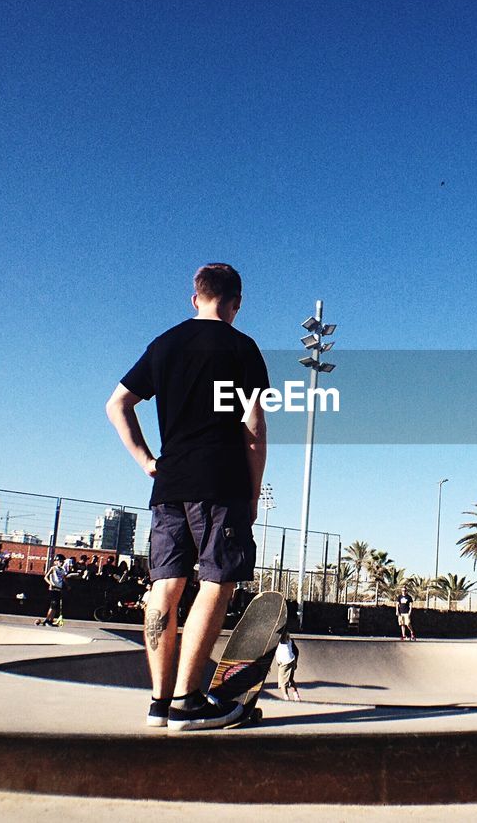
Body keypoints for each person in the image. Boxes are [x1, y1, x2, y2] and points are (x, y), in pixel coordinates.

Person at [106, 263, 269, 731]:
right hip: (220, 483)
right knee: (218, 581)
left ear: (194, 298)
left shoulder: (164, 344)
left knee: (166, 587)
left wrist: (147, 461)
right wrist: (252, 494)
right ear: (236, 303)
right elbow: (253, 430)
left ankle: (159, 703)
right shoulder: (243, 348)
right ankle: (187, 701)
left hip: (170, 484)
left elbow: (116, 404)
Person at [38, 554, 67, 626]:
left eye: (62, 561)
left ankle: (50, 620)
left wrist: (66, 585)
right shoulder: (53, 568)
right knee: (53, 604)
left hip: (59, 589)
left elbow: (63, 579)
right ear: (56, 562)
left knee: (56, 606)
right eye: (60, 561)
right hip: (53, 589)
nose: (61, 563)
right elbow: (46, 577)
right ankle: (47, 620)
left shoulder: (63, 570)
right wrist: (50, 583)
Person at [275, 630, 301, 702]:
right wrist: (296, 662)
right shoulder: (290, 641)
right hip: (291, 660)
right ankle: (296, 696)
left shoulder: (280, 641)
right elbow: (297, 651)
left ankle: (286, 697)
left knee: (282, 681)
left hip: (284, 663)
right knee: (290, 679)